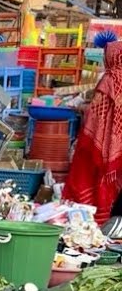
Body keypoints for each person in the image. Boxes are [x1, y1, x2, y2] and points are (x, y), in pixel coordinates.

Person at [63, 41, 122, 226]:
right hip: (118, 151)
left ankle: (100, 226)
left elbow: (97, 119)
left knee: (96, 182)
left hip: (105, 151)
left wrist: (84, 109)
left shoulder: (109, 81)